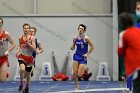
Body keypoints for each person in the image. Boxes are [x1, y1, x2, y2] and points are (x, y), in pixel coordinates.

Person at [118, 12, 140, 93]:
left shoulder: (123, 34)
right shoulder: (138, 30)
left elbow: (120, 51)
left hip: (137, 66)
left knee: (137, 87)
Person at [70, 24, 94, 90]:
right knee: (75, 73)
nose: (80, 30)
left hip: (83, 57)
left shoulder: (86, 38)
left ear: (84, 31)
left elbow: (92, 46)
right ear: (78, 29)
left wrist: (87, 54)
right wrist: (71, 47)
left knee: (79, 75)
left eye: (82, 29)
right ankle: (77, 87)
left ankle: (84, 69)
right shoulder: (75, 38)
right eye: (79, 28)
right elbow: (73, 46)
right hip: (76, 55)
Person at [16, 23, 36, 93]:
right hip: (22, 56)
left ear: (29, 29)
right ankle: (21, 84)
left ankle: (27, 87)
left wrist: (29, 44)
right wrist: (17, 51)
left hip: (29, 58)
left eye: (27, 28)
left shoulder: (32, 38)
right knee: (22, 69)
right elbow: (19, 45)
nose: (26, 29)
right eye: (25, 28)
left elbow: (34, 48)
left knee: (28, 75)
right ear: (23, 29)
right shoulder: (20, 37)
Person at [0, 17, 16, 82]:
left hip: (3, 57)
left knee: (2, 80)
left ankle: (4, 73)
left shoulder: (6, 34)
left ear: (2, 24)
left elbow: (13, 44)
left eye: (0, 22)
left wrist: (8, 51)